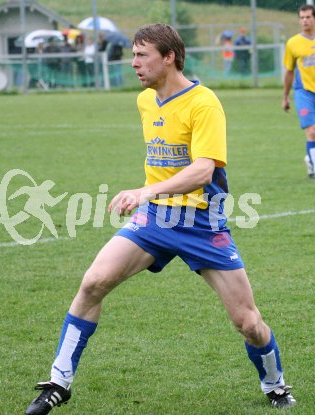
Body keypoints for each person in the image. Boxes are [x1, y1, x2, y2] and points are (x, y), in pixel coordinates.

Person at [24, 23, 296, 415]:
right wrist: (151, 198)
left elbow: (204, 170)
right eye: (133, 54)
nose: (133, 63)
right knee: (93, 283)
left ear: (169, 57)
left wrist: (146, 190)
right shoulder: (146, 100)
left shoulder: (204, 103)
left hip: (203, 223)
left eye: (142, 55)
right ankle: (58, 382)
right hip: (155, 219)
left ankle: (275, 384)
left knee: (248, 323)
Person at [283, 4, 315, 179]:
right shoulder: (293, 43)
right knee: (312, 131)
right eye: (302, 18)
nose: (305, 21)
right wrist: (285, 97)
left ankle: (310, 160)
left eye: (308, 17)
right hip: (304, 92)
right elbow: (289, 71)